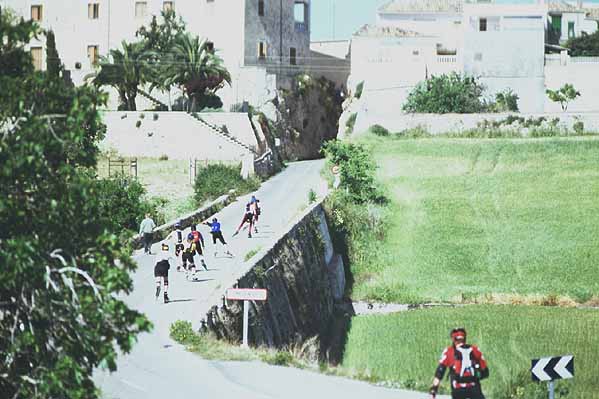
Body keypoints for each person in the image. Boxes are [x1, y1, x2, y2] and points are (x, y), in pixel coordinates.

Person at [430, 327, 489, 399]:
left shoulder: (449, 351)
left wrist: (434, 388)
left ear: (453, 339)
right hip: (474, 389)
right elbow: (485, 372)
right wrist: (474, 376)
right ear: (465, 338)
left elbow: (440, 371)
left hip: (457, 390)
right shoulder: (475, 349)